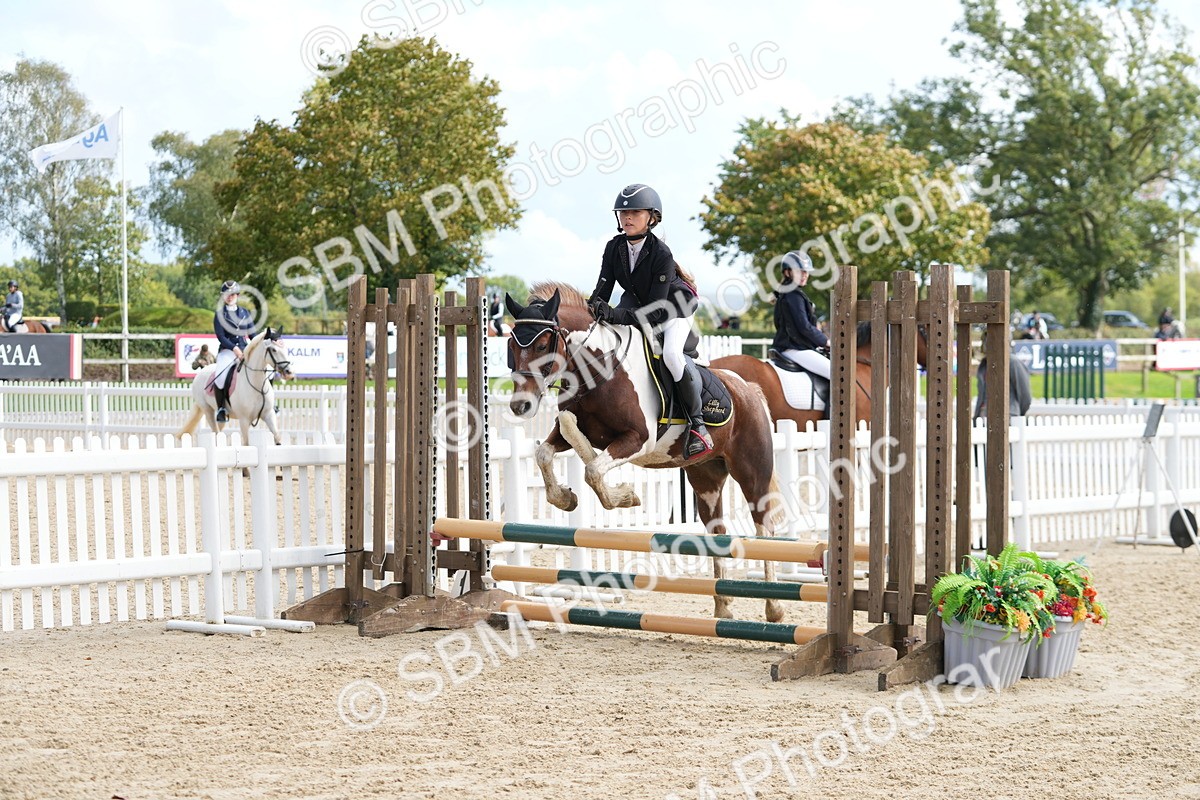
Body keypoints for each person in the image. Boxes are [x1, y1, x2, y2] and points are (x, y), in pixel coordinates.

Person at [586, 183, 711, 459]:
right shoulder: (614, 247)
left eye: (635, 212)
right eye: (623, 213)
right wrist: (590, 310)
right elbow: (602, 291)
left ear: (652, 217)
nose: (627, 217)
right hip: (639, 301)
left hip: (674, 307)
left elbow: (654, 312)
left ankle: (698, 425)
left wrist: (615, 314)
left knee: (671, 355)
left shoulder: (661, 253)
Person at [770, 251, 831, 381]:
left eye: (806, 272)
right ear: (788, 273)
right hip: (795, 349)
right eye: (799, 271)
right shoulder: (793, 295)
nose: (804, 275)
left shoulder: (786, 293)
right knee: (837, 373)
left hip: (790, 347)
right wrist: (825, 341)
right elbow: (804, 327)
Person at [213, 280, 256, 423]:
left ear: (237, 295)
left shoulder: (245, 313)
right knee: (220, 376)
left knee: (265, 369)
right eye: (227, 294)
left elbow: (252, 335)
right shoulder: (219, 314)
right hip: (227, 350)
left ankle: (269, 403)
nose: (229, 297)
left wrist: (260, 343)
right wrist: (234, 348)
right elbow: (221, 337)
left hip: (245, 349)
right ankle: (221, 408)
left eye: (232, 294)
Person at [974, 332, 1033, 419]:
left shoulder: (1013, 363)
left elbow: (1025, 396)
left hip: (1007, 418)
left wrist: (1013, 413)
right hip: (983, 417)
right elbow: (981, 395)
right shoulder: (984, 364)